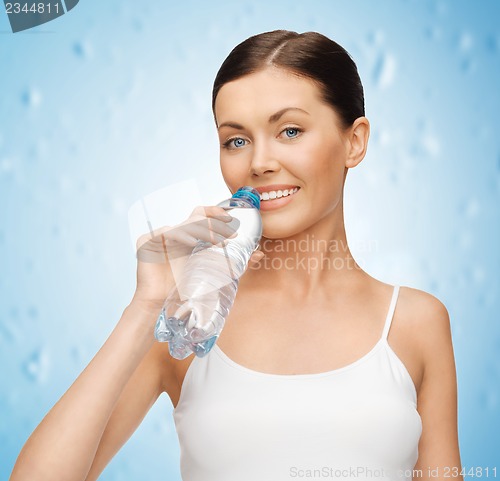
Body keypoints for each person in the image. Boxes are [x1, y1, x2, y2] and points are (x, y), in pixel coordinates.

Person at [10, 30, 463, 481]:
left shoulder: (415, 323)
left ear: (354, 142)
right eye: (236, 140)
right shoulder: (187, 320)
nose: (259, 162)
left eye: (290, 130)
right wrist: (145, 306)